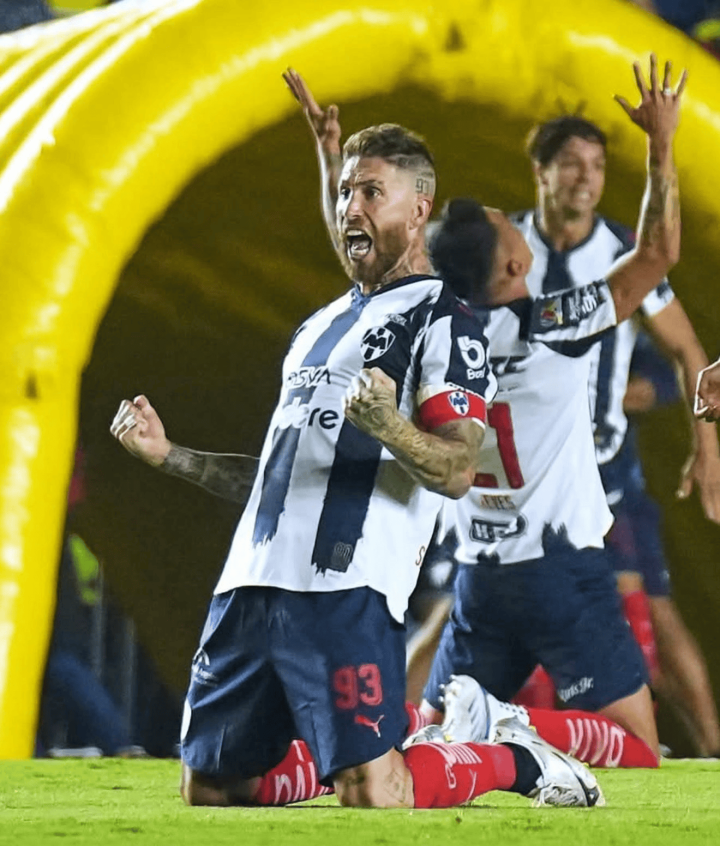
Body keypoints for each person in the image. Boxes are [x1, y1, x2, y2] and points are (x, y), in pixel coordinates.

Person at [110, 114, 602, 807]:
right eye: (345, 192)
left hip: (345, 588)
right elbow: (278, 476)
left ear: (419, 209)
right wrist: (171, 457)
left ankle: (513, 761)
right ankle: (362, 757)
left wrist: (389, 425)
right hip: (249, 585)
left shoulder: (443, 320)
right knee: (213, 789)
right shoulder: (317, 327)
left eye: (371, 192)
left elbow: (457, 470)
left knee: (374, 792)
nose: (350, 208)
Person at [414, 55, 685, 769]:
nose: (515, 226)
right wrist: (661, 146)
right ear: (511, 267)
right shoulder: (551, 322)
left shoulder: (430, 339)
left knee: (433, 743)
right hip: (559, 570)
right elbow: (657, 253)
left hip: (479, 571)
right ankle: (515, 723)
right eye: (505, 228)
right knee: (640, 748)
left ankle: (453, 728)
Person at [510, 104, 720, 756]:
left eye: (597, 166)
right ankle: (417, 744)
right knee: (473, 613)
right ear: (540, 171)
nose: (586, 178)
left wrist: (707, 445)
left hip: (604, 470)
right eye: (572, 164)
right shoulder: (503, 250)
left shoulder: (623, 254)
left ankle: (709, 753)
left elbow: (688, 353)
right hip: (519, 477)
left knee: (648, 615)